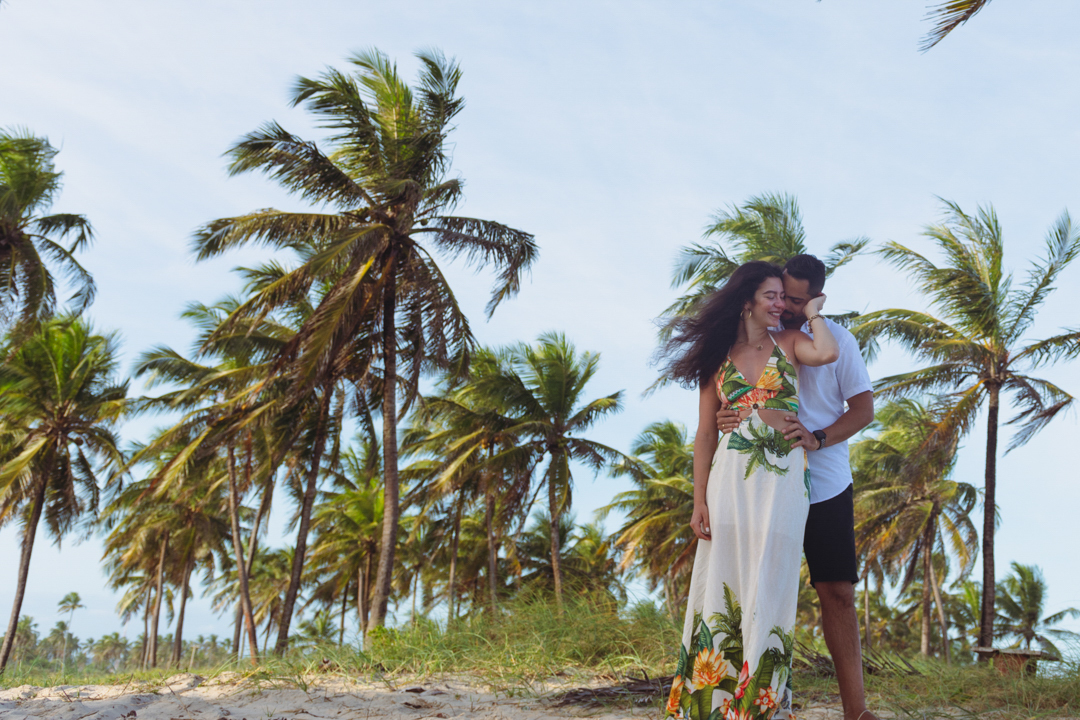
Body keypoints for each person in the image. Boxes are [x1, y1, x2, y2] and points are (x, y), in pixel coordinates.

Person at [660, 260, 839, 720]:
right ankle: (709, 706)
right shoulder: (714, 358)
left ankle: (760, 707)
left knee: (772, 581)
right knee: (724, 582)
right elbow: (704, 435)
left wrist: (814, 311)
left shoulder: (793, 342)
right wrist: (699, 499)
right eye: (772, 297)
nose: (782, 304)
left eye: (784, 296)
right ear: (747, 302)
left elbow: (829, 353)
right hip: (729, 482)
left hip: (781, 483)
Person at [716, 254, 877, 720]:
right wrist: (732, 415)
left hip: (824, 483)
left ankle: (856, 712)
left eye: (799, 300)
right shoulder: (747, 342)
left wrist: (819, 437)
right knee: (751, 586)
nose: (787, 305)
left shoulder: (836, 340)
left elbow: (863, 409)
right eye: (783, 295)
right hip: (760, 482)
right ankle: (745, 698)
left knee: (837, 592)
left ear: (816, 299)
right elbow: (724, 401)